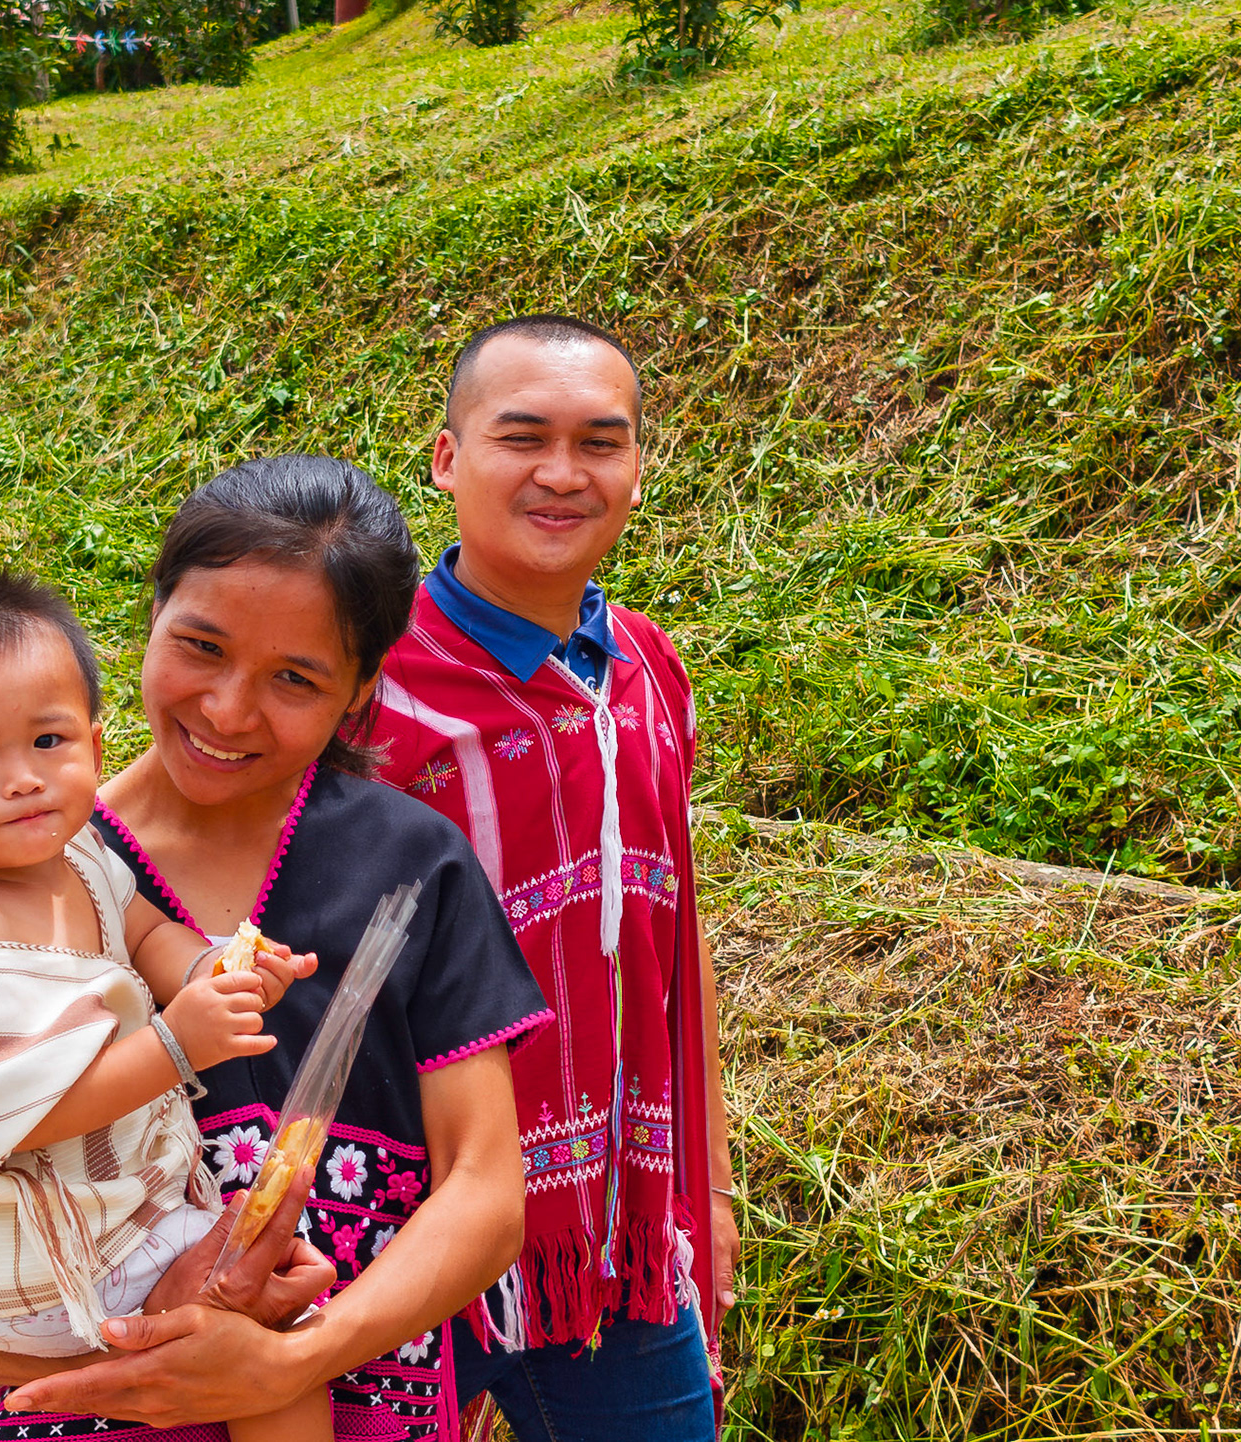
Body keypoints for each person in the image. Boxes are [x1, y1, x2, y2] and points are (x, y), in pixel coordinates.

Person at [0, 454, 554, 1441]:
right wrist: (158, 1359)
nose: (227, 709)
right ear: (152, 613)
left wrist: (284, 1361)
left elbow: (486, 1195)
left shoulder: (411, 865)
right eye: (201, 646)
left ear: (359, 689)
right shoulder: (22, 876)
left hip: (351, 1391)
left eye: (295, 677)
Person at [0, 567, 330, 1442]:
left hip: (93, 1211)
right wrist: (179, 1046)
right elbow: (33, 1115)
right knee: (269, 1344)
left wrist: (213, 967)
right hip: (34, 1254)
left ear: (97, 747)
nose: (24, 778)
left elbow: (141, 931)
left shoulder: (78, 854)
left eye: (49, 740)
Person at [367, 315, 740, 1441]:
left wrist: (703, 1182)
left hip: (605, 1238)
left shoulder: (645, 663)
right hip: (387, 1217)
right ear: (446, 458)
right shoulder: (364, 681)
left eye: (601, 442)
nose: (563, 474)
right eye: (521, 437)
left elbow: (676, 932)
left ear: (638, 466)